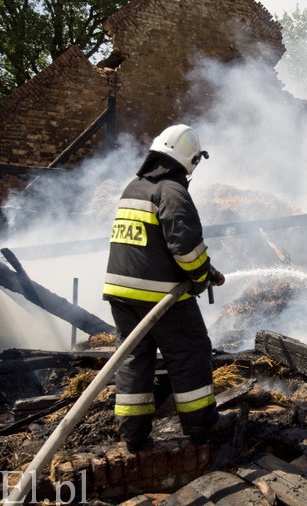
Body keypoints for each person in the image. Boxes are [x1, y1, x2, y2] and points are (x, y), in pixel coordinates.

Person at [102, 124, 234, 451]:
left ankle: (133, 434)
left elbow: (154, 244)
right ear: (190, 160)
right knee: (190, 351)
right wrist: (200, 278)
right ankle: (201, 424)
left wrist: (206, 271)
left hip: (121, 293)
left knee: (134, 358)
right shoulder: (172, 191)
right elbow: (185, 248)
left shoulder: (134, 188)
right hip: (160, 296)